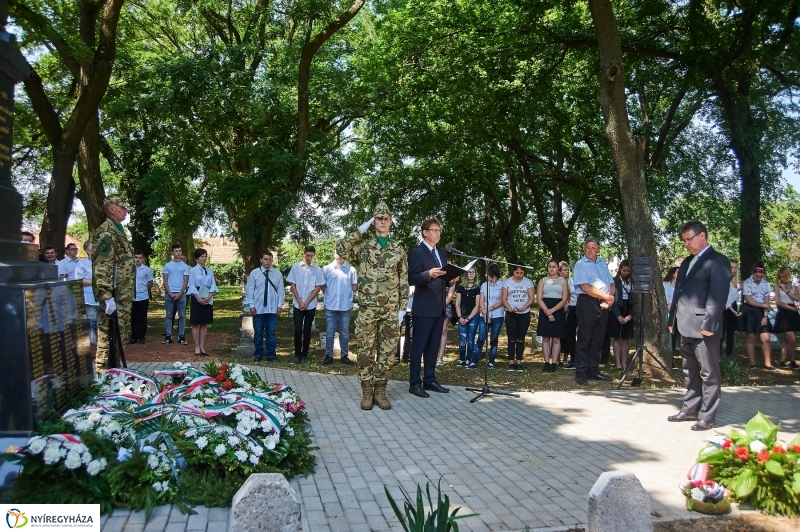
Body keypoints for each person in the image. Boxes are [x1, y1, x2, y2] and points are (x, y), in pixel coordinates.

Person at [336, 202, 409, 410]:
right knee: (365, 350)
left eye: (386, 218)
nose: (383, 221)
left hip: (390, 308)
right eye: (378, 218)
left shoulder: (398, 248)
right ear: (373, 221)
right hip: (368, 308)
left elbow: (403, 278)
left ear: (391, 221)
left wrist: (403, 307)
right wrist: (360, 230)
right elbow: (341, 248)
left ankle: (380, 390)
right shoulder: (364, 246)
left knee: (387, 352)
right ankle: (367, 390)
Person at [667, 221, 731, 431]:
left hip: (705, 326)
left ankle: (708, 416)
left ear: (702, 236)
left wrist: (710, 323)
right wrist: (672, 319)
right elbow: (679, 293)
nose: (686, 244)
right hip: (685, 324)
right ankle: (690, 408)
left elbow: (718, 295)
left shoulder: (718, 261)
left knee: (709, 373)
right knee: (690, 370)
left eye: (689, 239)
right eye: (684, 240)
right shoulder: (686, 262)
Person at [406, 218, 451, 397]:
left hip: (439, 307)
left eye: (440, 230)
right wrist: (428, 274)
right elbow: (412, 278)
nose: (438, 233)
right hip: (423, 307)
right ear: (425, 232)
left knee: (433, 347)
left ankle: (430, 379)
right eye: (435, 230)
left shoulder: (441, 253)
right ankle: (414, 383)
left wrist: (451, 279)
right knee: (419, 346)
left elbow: (443, 279)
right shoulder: (417, 252)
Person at [91, 193, 135, 373]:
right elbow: (102, 266)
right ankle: (103, 377)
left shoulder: (118, 230)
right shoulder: (107, 232)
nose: (125, 210)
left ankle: (115, 373)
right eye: (122, 207)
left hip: (122, 296)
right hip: (114, 297)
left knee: (119, 337)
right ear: (111, 208)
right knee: (107, 337)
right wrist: (106, 296)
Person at [572, 238, 615, 385]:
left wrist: (608, 300)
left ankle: (593, 370)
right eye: (587, 247)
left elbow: (611, 283)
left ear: (598, 250)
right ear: (584, 249)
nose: (590, 250)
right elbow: (585, 287)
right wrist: (606, 297)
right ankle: (581, 372)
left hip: (604, 304)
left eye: (593, 247)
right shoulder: (580, 264)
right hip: (587, 303)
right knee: (584, 338)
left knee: (598, 339)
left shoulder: (603, 263)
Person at [287, 245, 325, 364]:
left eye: (311, 256)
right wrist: (300, 301)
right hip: (298, 304)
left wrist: (307, 302)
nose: (309, 258)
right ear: (303, 254)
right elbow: (293, 285)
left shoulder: (317, 269)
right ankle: (297, 354)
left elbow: (318, 287)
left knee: (307, 330)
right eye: (307, 255)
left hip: (311, 304)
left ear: (314, 255)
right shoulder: (296, 267)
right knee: (298, 330)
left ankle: (304, 355)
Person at [244, 251, 285, 362]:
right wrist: (251, 305)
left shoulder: (277, 274)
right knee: (258, 332)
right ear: (261, 260)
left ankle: (271, 355)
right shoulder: (255, 273)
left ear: (272, 260)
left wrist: (280, 306)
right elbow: (250, 290)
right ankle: (258, 354)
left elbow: (281, 291)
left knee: (271, 332)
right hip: (258, 308)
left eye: (269, 259)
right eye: (265, 259)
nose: (267, 261)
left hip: (272, 308)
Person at [322, 252, 358, 365]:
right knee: (330, 331)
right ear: (334, 254)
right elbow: (323, 285)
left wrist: (346, 295)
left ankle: (344, 356)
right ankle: (328, 356)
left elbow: (354, 286)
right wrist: (329, 295)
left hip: (345, 306)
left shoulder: (351, 270)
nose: (340, 255)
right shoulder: (326, 269)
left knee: (344, 332)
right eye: (338, 252)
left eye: (343, 252)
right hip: (330, 305)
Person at [501, 264, 535, 372]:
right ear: (513, 271)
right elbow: (504, 298)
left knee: (520, 338)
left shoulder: (528, 282)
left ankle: (519, 362)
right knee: (511, 338)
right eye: (517, 273)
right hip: (511, 313)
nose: (519, 275)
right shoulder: (507, 282)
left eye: (521, 273)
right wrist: (510, 308)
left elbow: (531, 298)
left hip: (524, 314)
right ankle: (511, 362)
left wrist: (524, 307)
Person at [740, 262, 774, 370]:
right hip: (750, 310)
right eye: (756, 276)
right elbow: (749, 301)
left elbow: (766, 301)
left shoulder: (766, 284)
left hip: (762, 311)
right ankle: (752, 363)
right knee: (751, 337)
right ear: (753, 273)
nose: (758, 279)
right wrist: (765, 305)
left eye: (761, 277)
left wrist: (765, 315)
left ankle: (768, 364)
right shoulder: (747, 283)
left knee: (766, 338)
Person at [536, 259, 568, 372]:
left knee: (556, 338)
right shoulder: (542, 281)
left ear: (557, 268)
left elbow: (564, 299)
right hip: (545, 309)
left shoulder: (563, 281)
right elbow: (539, 299)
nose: (551, 268)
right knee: (545, 338)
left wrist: (553, 310)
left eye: (554, 266)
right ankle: (546, 362)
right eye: (549, 266)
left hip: (558, 310)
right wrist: (547, 311)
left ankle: (554, 363)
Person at [187, 248, 219, 356]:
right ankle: (196, 346)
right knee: (196, 323)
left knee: (204, 323)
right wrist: (198, 299)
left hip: (207, 298)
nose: (204, 258)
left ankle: (202, 346)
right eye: (202, 256)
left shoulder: (209, 270)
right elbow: (191, 285)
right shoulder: (192, 270)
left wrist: (209, 296)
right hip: (197, 298)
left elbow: (213, 285)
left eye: (205, 256)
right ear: (197, 258)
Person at [74, 240, 99, 365]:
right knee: (92, 327)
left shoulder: (102, 263)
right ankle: (93, 354)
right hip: (90, 300)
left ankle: (102, 352)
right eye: (92, 247)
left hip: (103, 300)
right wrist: (95, 282)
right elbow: (79, 280)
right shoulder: (82, 263)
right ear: (87, 250)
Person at [477, 263, 505, 370]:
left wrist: (489, 309)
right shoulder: (484, 285)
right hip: (484, 315)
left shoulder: (503, 285)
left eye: (488, 274)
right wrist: (485, 313)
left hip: (498, 316)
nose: (486, 275)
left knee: (494, 339)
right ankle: (475, 361)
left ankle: (491, 361)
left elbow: (501, 301)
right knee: (481, 338)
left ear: (493, 274)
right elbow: (481, 301)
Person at [607, 259, 634, 370]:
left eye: (628, 271)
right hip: (617, 310)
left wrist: (629, 316)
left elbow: (636, 302)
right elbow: (611, 299)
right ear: (620, 270)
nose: (626, 273)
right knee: (616, 338)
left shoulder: (633, 282)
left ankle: (624, 362)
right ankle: (617, 362)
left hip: (628, 309)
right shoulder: (614, 282)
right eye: (624, 270)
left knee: (626, 338)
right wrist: (618, 315)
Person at [162, 244, 191, 345]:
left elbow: (185, 281)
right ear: (172, 253)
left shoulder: (185, 266)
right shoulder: (167, 265)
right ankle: (168, 335)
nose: (178, 253)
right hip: (169, 293)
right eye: (176, 251)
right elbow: (165, 281)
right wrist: (169, 293)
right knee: (169, 315)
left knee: (182, 315)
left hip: (181, 294)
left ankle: (181, 335)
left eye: (179, 251)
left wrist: (179, 293)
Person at [773, 267, 800, 369]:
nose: (781, 278)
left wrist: (786, 291)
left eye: (783, 276)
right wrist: (790, 308)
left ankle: (784, 361)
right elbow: (778, 302)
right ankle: (790, 360)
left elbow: (797, 298)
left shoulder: (794, 287)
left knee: (788, 340)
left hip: (793, 314)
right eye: (780, 277)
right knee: (791, 340)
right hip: (783, 312)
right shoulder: (777, 287)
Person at [456, 266, 482, 369]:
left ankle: (468, 358)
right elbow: (457, 304)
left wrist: (468, 318)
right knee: (462, 340)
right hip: (461, 316)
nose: (471, 274)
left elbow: (477, 306)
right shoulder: (461, 287)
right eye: (469, 272)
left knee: (471, 339)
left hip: (473, 317)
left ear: (475, 274)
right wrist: (460, 317)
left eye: (473, 272)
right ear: (466, 274)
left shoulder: (477, 288)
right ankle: (462, 358)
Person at [129, 250, 154, 344]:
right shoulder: (129, 269)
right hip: (132, 297)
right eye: (136, 257)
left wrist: (145, 290)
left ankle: (141, 336)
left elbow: (150, 282)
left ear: (143, 258)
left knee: (142, 317)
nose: (138, 259)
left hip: (143, 297)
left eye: (140, 258)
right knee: (134, 317)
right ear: (133, 258)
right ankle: (134, 336)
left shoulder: (147, 270)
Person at [559, 261, 577, 369]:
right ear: (559, 271)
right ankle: (560, 358)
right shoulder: (559, 282)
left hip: (576, 308)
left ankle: (574, 358)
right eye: (565, 270)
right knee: (564, 335)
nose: (567, 272)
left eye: (568, 270)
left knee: (574, 334)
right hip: (564, 309)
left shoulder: (572, 281)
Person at [721, 261, 740, 357]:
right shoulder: (723, 280)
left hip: (733, 307)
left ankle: (729, 354)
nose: (734, 270)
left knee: (731, 332)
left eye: (735, 268)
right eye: (732, 267)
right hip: (724, 309)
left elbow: (735, 298)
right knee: (721, 332)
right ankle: (718, 355)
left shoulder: (734, 283)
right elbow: (724, 299)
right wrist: (734, 311)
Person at [663, 266, 681, 366]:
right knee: (666, 337)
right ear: (673, 273)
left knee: (674, 337)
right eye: (678, 272)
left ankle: (671, 360)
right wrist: (666, 304)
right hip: (666, 314)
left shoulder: (681, 286)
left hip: (677, 315)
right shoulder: (665, 284)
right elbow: (661, 297)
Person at [436, 283, 457, 366]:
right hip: (433, 305)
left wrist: (441, 306)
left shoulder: (452, 279)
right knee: (434, 330)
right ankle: (433, 354)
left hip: (446, 306)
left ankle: (440, 357)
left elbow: (450, 296)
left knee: (443, 330)